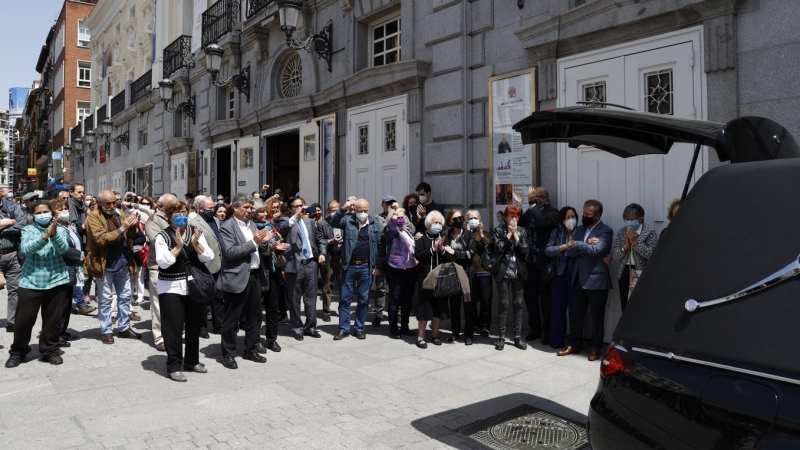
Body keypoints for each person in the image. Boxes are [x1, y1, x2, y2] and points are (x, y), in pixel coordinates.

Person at [154, 200, 214, 382]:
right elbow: (163, 262)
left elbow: (208, 256)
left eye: (184, 212)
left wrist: (196, 244)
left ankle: (191, 361)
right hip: (171, 288)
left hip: (193, 286)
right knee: (173, 328)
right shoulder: (162, 236)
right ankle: (173, 365)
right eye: (177, 212)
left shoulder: (195, 231)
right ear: (169, 215)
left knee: (194, 324)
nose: (181, 215)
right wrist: (178, 247)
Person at [5, 200, 70, 367]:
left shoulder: (61, 230)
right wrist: (45, 236)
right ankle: (18, 351)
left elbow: (63, 249)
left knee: (52, 321)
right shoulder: (28, 230)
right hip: (31, 281)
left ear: (51, 213)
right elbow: (27, 249)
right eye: (39, 213)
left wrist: (54, 234)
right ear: (33, 215)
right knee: (23, 320)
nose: (42, 215)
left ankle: (50, 350)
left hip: (57, 281)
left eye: (45, 212)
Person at [218, 193, 275, 369]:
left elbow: (258, 248)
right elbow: (230, 253)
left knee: (255, 316)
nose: (249, 211)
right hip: (237, 277)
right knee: (232, 318)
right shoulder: (227, 227)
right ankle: (228, 353)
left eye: (251, 208)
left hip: (254, 276)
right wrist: (254, 241)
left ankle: (250, 349)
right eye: (246, 208)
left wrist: (266, 244)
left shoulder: (252, 225)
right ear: (235, 208)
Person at [85, 190, 144, 344]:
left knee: (124, 297)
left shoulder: (119, 213)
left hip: (123, 262)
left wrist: (133, 226)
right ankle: (106, 330)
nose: (112, 206)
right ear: (99, 203)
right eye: (108, 203)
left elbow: (132, 235)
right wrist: (123, 227)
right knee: (105, 300)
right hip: (104, 265)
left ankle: (124, 328)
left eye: (114, 202)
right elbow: (101, 239)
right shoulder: (93, 216)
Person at [557, 199, 613, 362]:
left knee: (597, 317)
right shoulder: (580, 229)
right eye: (583, 213)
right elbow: (570, 253)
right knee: (575, 315)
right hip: (578, 279)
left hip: (597, 281)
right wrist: (583, 245)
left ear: (597, 216)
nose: (584, 216)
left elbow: (596, 250)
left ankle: (595, 347)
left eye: (588, 214)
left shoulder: (606, 231)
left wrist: (578, 244)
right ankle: (574, 344)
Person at [330, 198, 384, 340]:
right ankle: (344, 329)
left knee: (363, 299)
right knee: (345, 299)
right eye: (360, 211)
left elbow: (380, 248)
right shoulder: (348, 221)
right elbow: (333, 222)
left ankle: (359, 328)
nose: (363, 213)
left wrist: (378, 266)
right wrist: (343, 208)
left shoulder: (375, 225)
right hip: (350, 266)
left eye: (366, 211)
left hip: (366, 267)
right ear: (355, 210)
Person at [279, 197, 326, 341]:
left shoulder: (310, 222)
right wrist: (295, 217)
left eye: (302, 205)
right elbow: (283, 229)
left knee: (311, 297)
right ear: (290, 208)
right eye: (296, 206)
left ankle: (310, 327)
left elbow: (319, 238)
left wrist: (322, 252)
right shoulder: (285, 220)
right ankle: (297, 328)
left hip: (310, 263)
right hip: (295, 265)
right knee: (294, 298)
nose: (300, 208)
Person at [519, 186, 559, 344]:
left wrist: (534, 208)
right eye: (534, 198)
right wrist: (526, 206)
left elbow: (544, 223)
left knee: (545, 301)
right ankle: (533, 329)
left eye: (537, 197)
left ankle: (547, 332)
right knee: (530, 300)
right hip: (529, 263)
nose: (535, 200)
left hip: (543, 264)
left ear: (544, 198)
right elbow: (521, 222)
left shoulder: (553, 213)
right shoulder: (532, 210)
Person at [252, 199, 289, 353]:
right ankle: (254, 341)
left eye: (264, 211)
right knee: (254, 310)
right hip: (257, 271)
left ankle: (271, 339)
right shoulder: (251, 227)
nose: (265, 214)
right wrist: (267, 247)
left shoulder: (269, 225)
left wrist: (277, 246)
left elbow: (272, 247)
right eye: (261, 212)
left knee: (272, 307)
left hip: (272, 271)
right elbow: (254, 249)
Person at [491, 205, 530, 351]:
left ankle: (517, 337)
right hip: (503, 272)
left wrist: (516, 236)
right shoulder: (498, 230)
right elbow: (498, 248)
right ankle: (501, 336)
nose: (514, 219)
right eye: (511, 216)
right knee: (503, 303)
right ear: (506, 217)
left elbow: (525, 250)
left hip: (518, 272)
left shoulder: (522, 231)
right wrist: (508, 235)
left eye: (517, 216)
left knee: (518, 303)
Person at [608, 203, 658, 312]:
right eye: (627, 219)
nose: (629, 221)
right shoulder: (622, 232)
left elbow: (651, 255)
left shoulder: (649, 231)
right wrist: (625, 247)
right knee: (625, 307)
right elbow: (615, 256)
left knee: (641, 306)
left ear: (640, 218)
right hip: (625, 271)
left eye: (632, 219)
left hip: (642, 271)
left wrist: (636, 243)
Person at [145, 194, 176, 351]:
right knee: (158, 303)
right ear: (160, 206)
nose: (175, 208)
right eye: (171, 205)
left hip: (178, 266)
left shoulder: (178, 217)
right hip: (158, 267)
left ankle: (177, 332)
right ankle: (159, 337)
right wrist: (179, 239)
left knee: (176, 302)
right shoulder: (153, 220)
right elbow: (157, 240)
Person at [413, 210, 449, 348]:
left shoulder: (444, 236)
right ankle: (421, 337)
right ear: (428, 224)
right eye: (435, 222)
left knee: (438, 307)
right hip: (425, 277)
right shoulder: (421, 237)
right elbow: (418, 255)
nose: (438, 225)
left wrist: (442, 250)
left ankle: (435, 335)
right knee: (424, 306)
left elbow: (449, 257)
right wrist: (432, 250)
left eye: (440, 223)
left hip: (441, 278)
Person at [52, 198, 85, 348]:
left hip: (72, 268)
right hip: (62, 269)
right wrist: (79, 256)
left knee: (67, 303)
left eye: (66, 208)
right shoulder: (56, 228)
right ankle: (56, 334)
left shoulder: (69, 226)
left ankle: (62, 330)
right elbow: (63, 248)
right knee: (61, 304)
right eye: (60, 209)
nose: (65, 211)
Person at [544, 206, 578, 349]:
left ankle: (574, 342)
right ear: (562, 220)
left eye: (573, 216)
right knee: (557, 309)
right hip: (558, 274)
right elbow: (548, 250)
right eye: (568, 217)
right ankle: (557, 340)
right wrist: (564, 246)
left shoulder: (581, 232)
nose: (571, 220)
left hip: (574, 275)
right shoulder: (557, 232)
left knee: (575, 310)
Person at [189, 195, 223, 338]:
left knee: (218, 296)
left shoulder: (215, 220)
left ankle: (219, 325)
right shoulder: (193, 222)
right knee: (203, 297)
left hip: (219, 263)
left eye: (213, 207)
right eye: (210, 208)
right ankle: (202, 326)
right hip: (204, 264)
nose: (213, 210)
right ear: (200, 208)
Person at [383, 205, 417, 339]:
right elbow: (392, 229)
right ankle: (393, 328)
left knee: (407, 299)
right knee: (395, 298)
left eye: (402, 217)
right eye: (397, 217)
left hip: (410, 268)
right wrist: (395, 214)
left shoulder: (408, 231)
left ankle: (404, 326)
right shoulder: (390, 231)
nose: (400, 219)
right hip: (395, 269)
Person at [442, 209, 476, 345]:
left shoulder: (469, 235)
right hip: (453, 273)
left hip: (467, 274)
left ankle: (469, 334)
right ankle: (455, 333)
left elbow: (471, 253)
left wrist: (455, 252)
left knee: (468, 305)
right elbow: (444, 254)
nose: (458, 220)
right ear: (450, 221)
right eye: (455, 218)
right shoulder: (447, 234)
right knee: (454, 305)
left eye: (460, 218)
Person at [0, 188, 28, 333]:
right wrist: (10, 222)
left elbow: (22, 223)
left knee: (15, 290)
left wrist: (3, 228)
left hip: (12, 254)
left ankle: (12, 322)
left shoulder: (11, 206)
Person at [370, 196, 396, 327]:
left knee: (395, 288)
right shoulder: (376, 218)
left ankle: (395, 315)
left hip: (396, 260)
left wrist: (396, 214)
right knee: (380, 288)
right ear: (382, 204)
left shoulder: (400, 216)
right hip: (382, 257)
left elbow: (410, 228)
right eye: (388, 203)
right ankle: (378, 315)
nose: (390, 205)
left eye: (392, 203)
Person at [466, 210, 492, 338]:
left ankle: (485, 326)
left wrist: (481, 234)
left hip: (484, 272)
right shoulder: (465, 235)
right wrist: (467, 233)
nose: (473, 220)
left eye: (476, 217)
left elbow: (490, 247)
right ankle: (474, 323)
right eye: (471, 218)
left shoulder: (486, 233)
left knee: (485, 300)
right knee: (471, 300)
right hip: (470, 272)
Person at [316, 199, 343, 322]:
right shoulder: (322, 223)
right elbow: (320, 240)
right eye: (332, 210)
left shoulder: (344, 221)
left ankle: (343, 309)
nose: (334, 212)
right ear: (328, 211)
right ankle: (326, 311)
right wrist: (331, 241)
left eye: (337, 210)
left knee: (344, 284)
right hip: (330, 256)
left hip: (342, 256)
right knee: (328, 285)